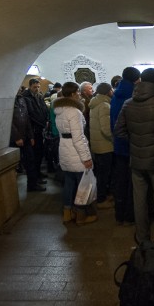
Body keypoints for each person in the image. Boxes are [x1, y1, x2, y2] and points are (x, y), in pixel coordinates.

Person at [114, 68, 154, 243]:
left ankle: (142, 238)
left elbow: (119, 131)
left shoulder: (128, 103)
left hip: (136, 160)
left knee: (139, 200)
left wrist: (135, 141)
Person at [53, 82, 97, 225]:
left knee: (69, 183)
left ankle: (67, 213)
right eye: (78, 92)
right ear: (72, 94)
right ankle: (80, 215)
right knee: (82, 185)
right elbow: (78, 137)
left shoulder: (60, 110)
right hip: (75, 152)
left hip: (64, 149)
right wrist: (86, 158)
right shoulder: (74, 111)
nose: (79, 94)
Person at [110, 67, 140, 226]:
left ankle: (119, 214)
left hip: (118, 145)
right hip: (132, 146)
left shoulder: (115, 95)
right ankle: (129, 216)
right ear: (137, 79)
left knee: (120, 181)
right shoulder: (133, 95)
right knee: (132, 184)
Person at [10, 90, 45, 192]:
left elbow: (26, 118)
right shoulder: (9, 100)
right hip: (15, 139)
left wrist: (31, 136)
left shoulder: (21, 99)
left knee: (30, 161)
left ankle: (32, 184)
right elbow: (9, 121)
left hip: (25, 137)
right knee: (17, 164)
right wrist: (16, 137)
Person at [89, 82, 115, 209]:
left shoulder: (94, 103)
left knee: (100, 173)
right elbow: (106, 129)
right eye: (111, 90)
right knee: (104, 174)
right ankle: (101, 199)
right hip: (105, 145)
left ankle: (102, 195)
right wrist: (114, 138)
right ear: (107, 91)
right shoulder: (104, 105)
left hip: (97, 144)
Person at [22, 78, 49, 183]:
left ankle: (38, 174)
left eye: (38, 87)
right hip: (33, 130)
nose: (37, 89)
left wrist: (46, 120)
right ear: (30, 87)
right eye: (35, 87)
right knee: (33, 156)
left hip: (40, 129)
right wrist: (41, 123)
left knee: (39, 154)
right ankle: (34, 179)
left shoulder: (39, 97)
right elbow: (31, 115)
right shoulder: (26, 98)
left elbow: (44, 110)